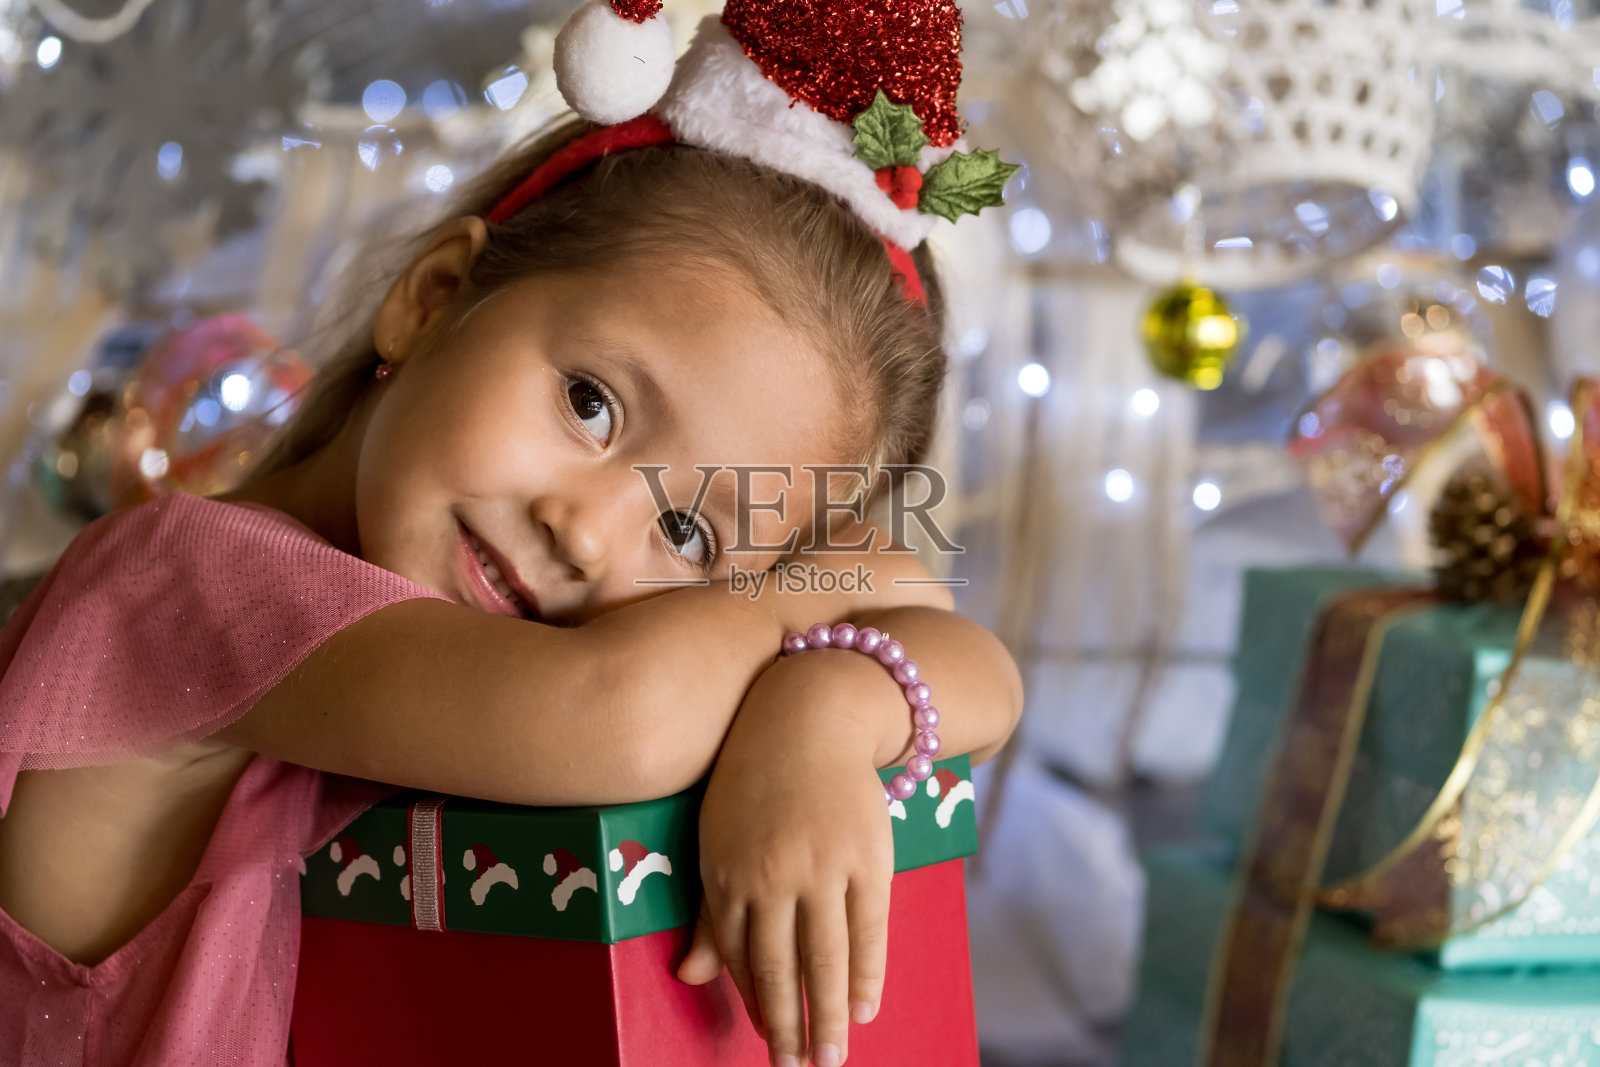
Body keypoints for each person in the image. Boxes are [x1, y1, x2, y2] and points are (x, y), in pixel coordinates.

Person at [0, 1, 1022, 1065]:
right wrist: (797, 619)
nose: (584, 534)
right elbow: (624, 712)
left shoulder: (457, 666)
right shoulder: (189, 582)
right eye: (590, 403)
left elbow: (981, 674)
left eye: (685, 531)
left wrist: (828, 708)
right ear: (434, 298)